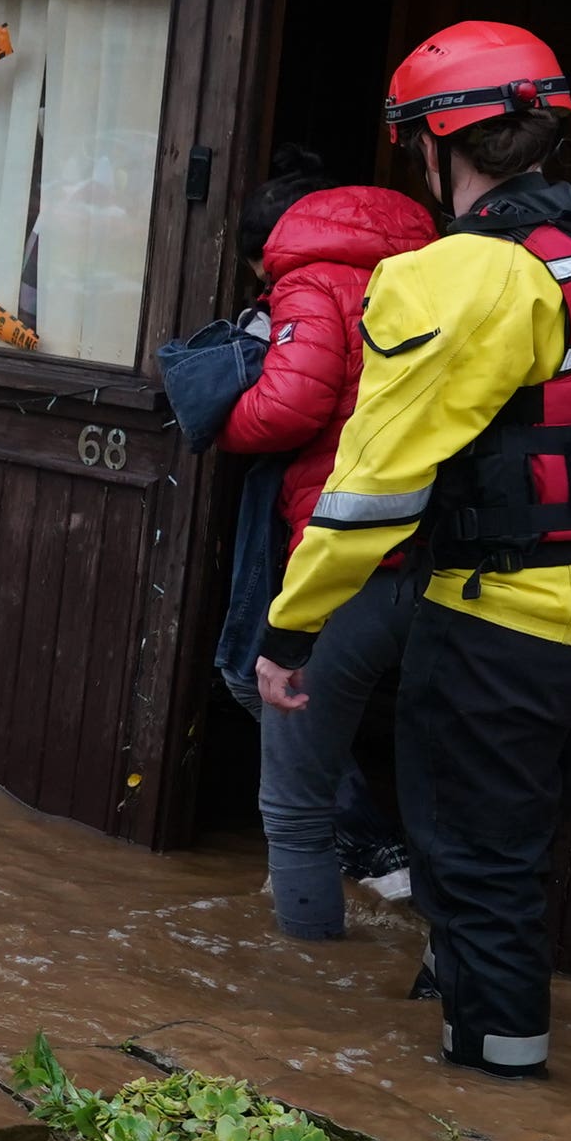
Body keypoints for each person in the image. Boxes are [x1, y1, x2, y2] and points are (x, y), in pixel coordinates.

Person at [256, 21, 571, 1078]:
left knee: (474, 867)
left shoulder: (455, 276)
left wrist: (293, 626)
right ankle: (465, 1024)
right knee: (503, 854)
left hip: (512, 626)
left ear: (430, 143)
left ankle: (495, 1106)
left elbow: (373, 485)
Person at [216, 153, 436, 938]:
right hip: (454, 555)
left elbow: (286, 408)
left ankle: (297, 1000)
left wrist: (215, 419)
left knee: (292, 796)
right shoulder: (443, 269)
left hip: (347, 544)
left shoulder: (310, 281)